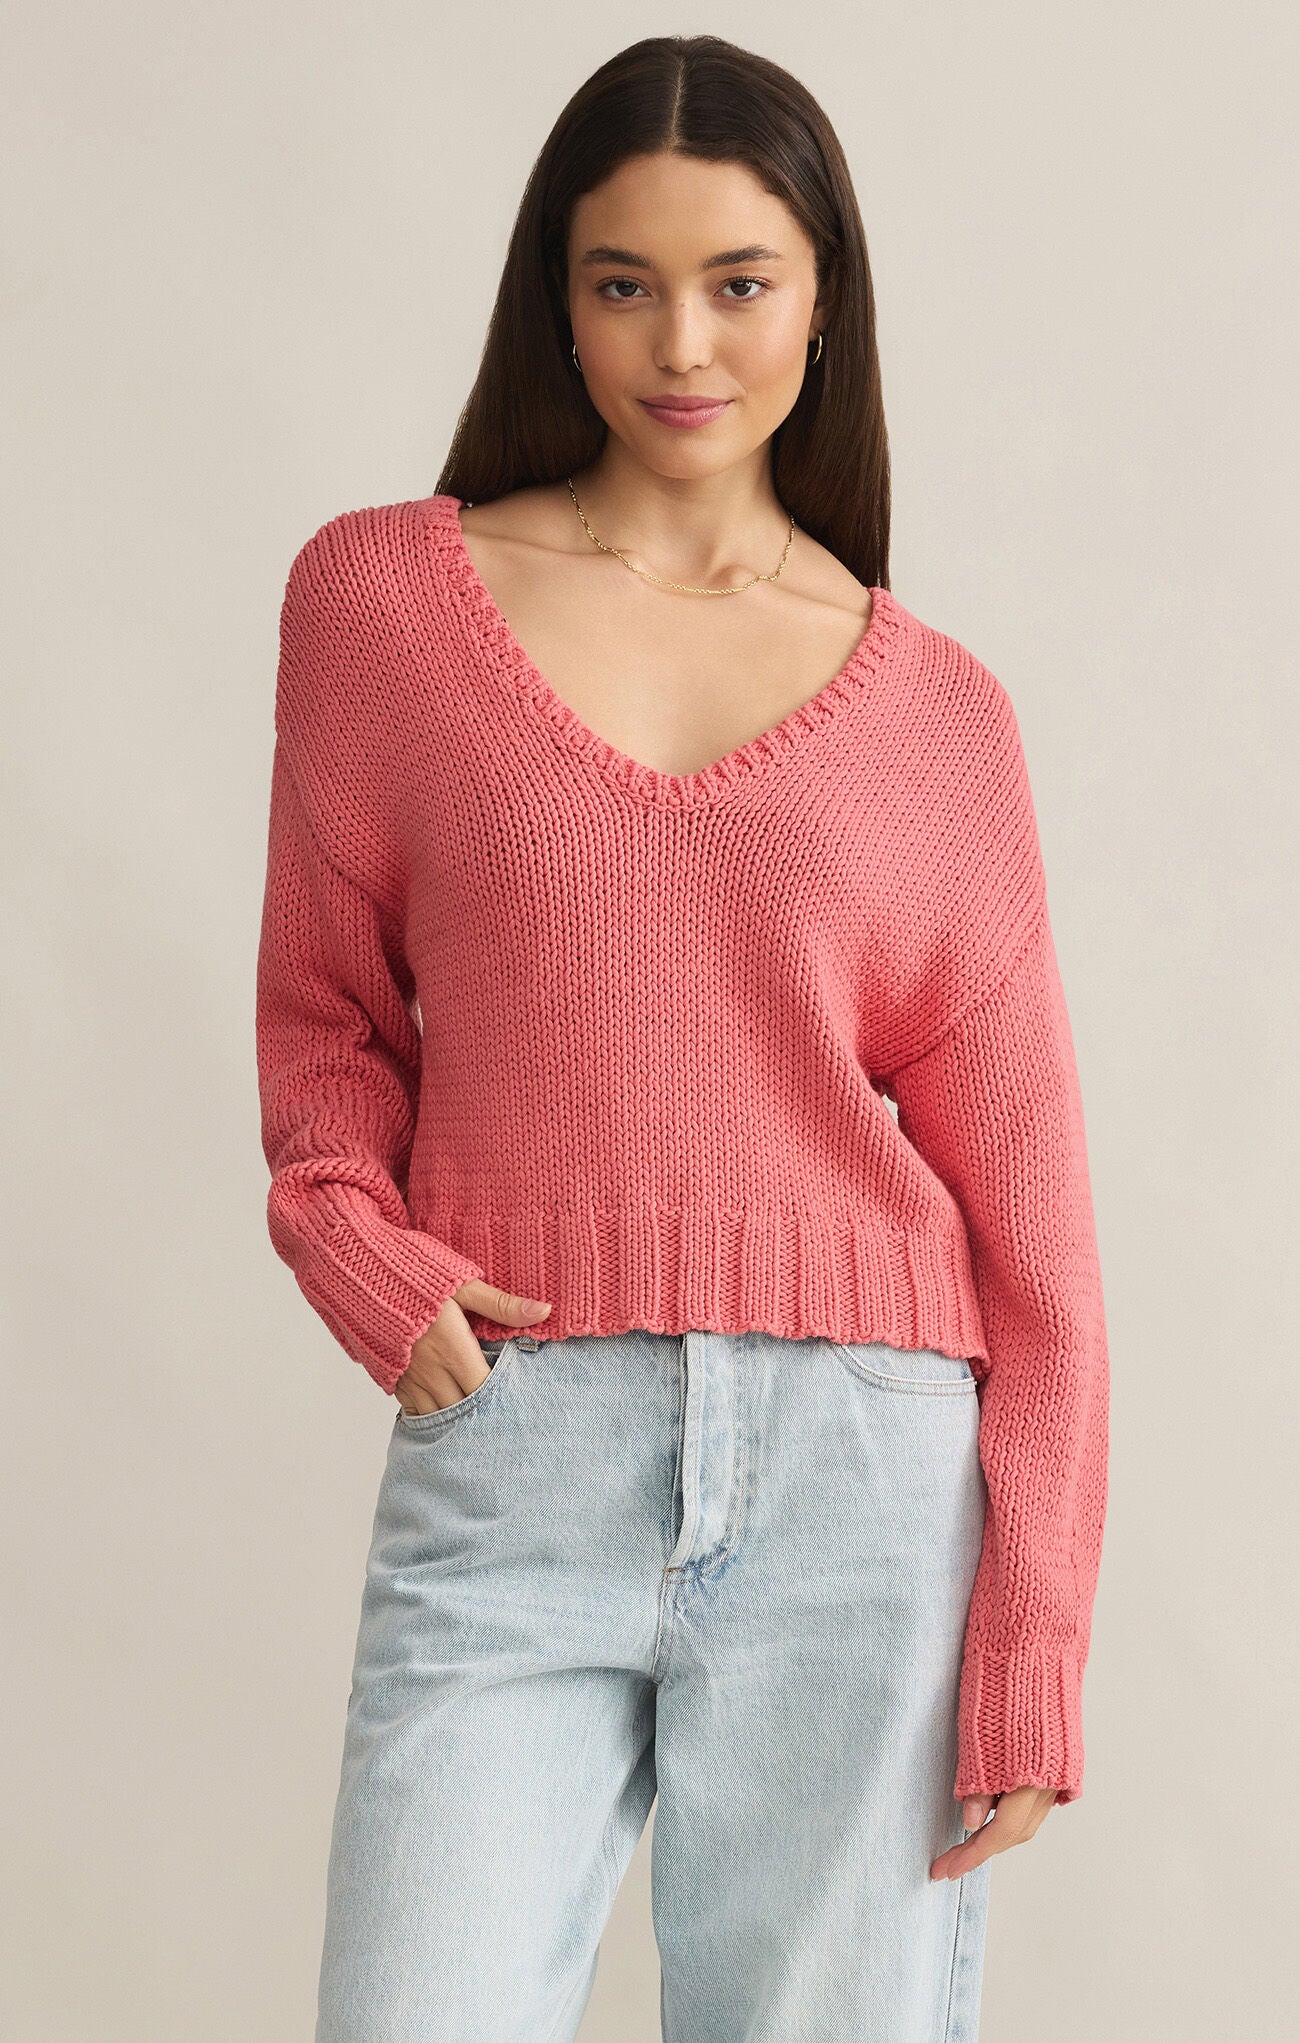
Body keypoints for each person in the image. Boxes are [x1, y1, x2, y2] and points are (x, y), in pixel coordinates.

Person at [255, 33, 1110, 2043]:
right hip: (515, 1436)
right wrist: (350, 1237)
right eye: (622, 280)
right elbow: (324, 1011)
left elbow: (1035, 1222)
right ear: (556, 299)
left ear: (822, 298)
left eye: (740, 281)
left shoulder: (937, 715)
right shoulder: (383, 603)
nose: (682, 342)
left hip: (865, 1477)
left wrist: (1034, 1627)